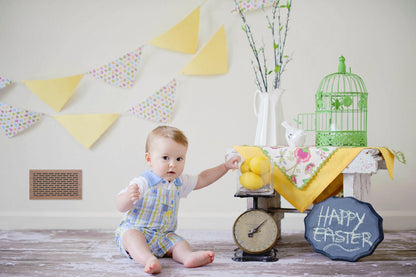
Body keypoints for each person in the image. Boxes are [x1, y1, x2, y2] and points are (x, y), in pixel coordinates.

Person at [115, 125, 240, 274]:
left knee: (180, 243)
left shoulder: (179, 182)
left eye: (179, 158)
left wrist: (225, 166)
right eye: (165, 158)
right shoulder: (143, 182)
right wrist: (129, 198)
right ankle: (148, 259)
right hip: (139, 231)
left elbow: (203, 178)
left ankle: (187, 257)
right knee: (131, 236)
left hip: (163, 235)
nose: (173, 164)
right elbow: (120, 206)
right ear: (149, 159)